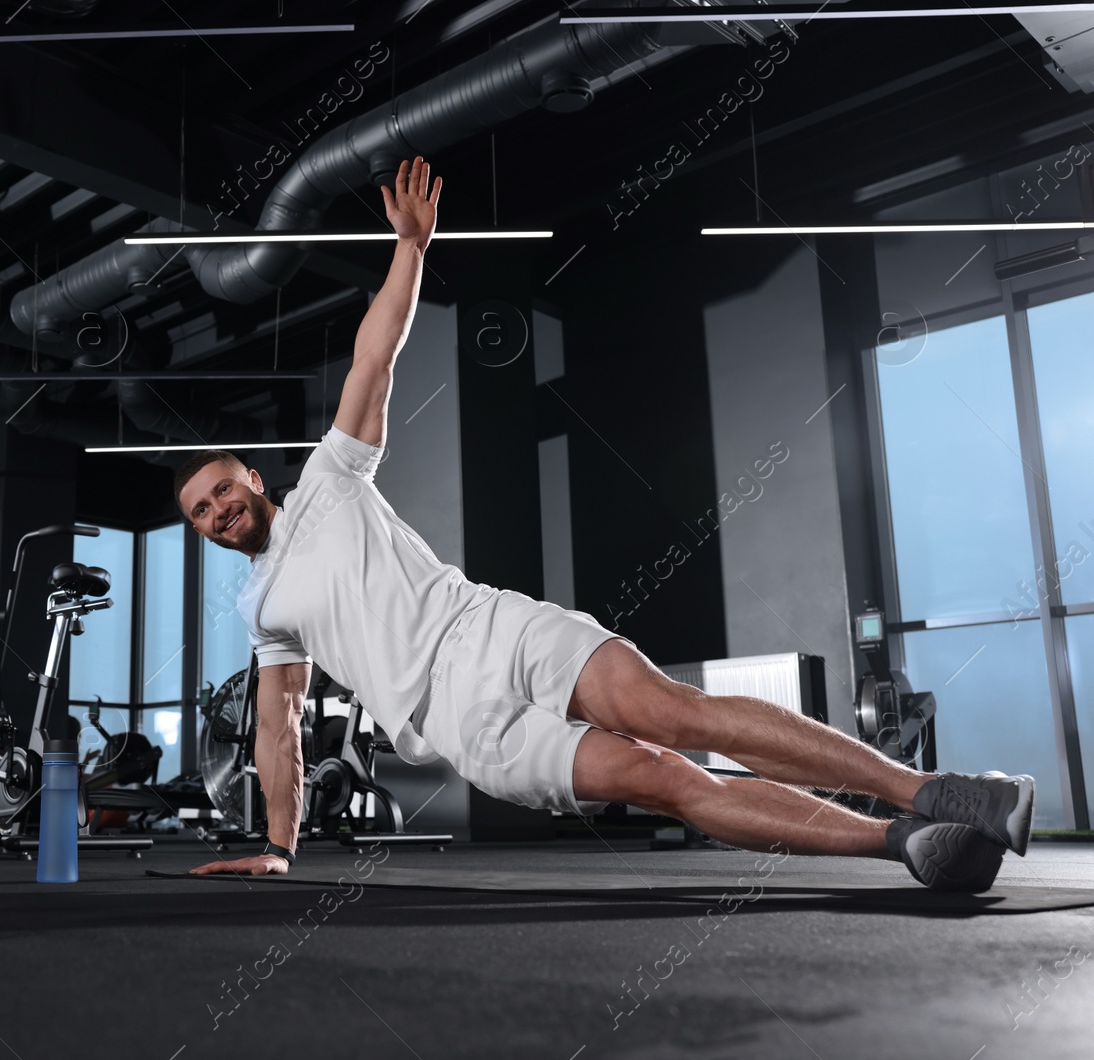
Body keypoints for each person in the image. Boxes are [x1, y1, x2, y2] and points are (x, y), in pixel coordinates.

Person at [178, 156, 1032, 892]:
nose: (218, 512)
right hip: (459, 723)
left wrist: (409, 248)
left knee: (674, 712)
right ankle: (904, 843)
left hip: (491, 628)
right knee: (658, 778)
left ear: (253, 476)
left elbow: (375, 356)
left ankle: (932, 793)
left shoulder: (330, 472)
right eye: (201, 514)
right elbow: (276, 726)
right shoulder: (263, 610)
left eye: (221, 490)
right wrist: (278, 845)